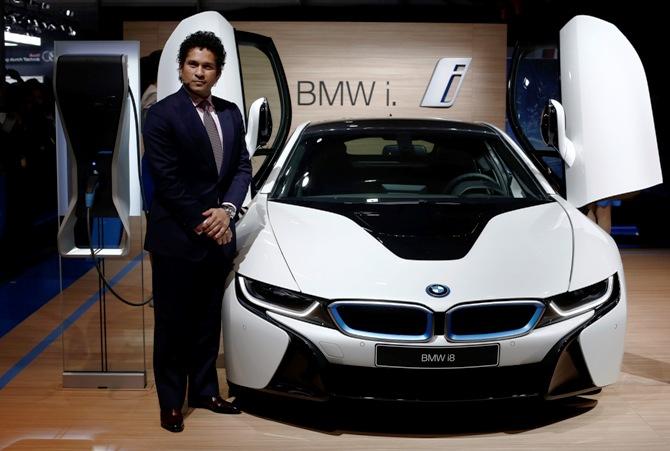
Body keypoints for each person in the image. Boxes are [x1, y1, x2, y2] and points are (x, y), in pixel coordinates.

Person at [143, 31, 251, 433]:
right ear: (181, 68)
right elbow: (167, 181)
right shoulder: (163, 115)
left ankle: (204, 391)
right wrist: (208, 221)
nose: (200, 72)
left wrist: (227, 211)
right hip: (178, 237)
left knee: (208, 321)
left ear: (218, 72)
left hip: (218, 236)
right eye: (193, 64)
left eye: (207, 66)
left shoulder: (229, 113)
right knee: (173, 324)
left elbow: (241, 167)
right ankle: (171, 402)